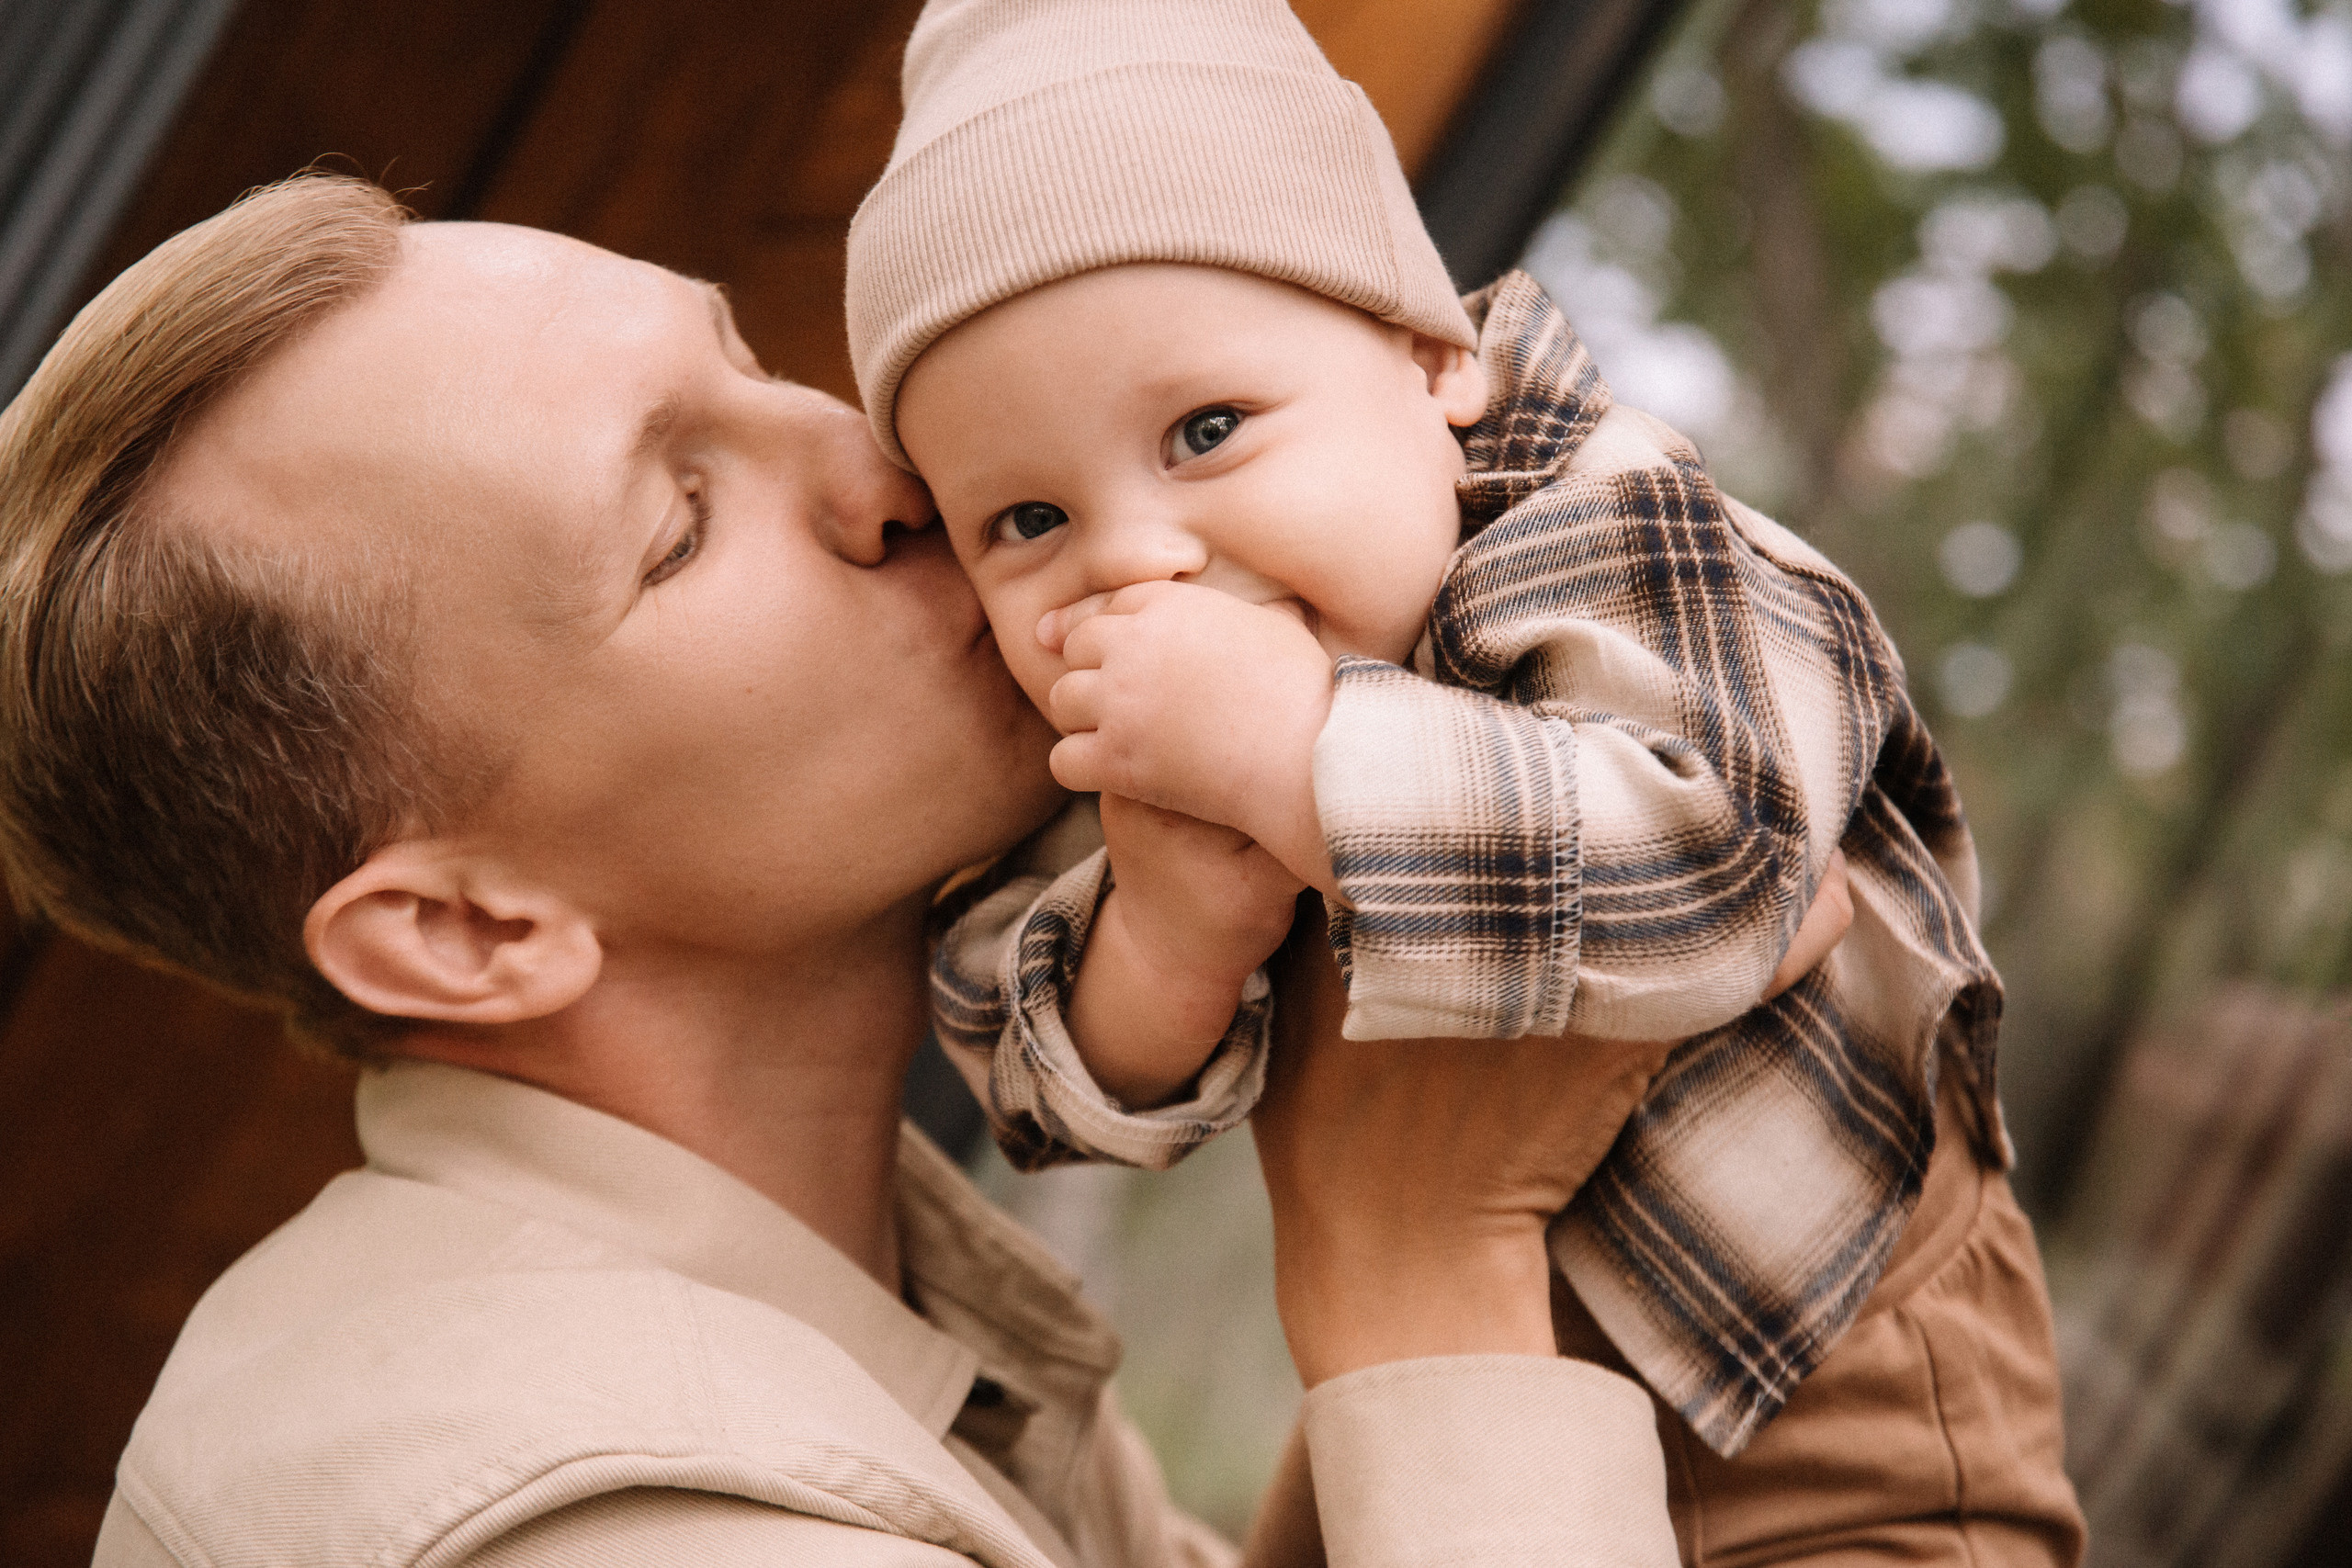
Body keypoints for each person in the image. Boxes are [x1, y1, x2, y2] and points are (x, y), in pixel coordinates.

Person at [0, 175, 1696, 1566]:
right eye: (680, 522)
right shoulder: (583, 1519)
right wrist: (1420, 1265)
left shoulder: (830, 1321)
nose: (895, 476)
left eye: (753, 359)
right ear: (464, 929)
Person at [854, 0, 2083, 1557]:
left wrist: (1310, 761)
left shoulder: (1622, 540)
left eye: (1207, 431)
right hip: (1448, 1366)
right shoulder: (1123, 722)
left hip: (1838, 1366)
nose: (1133, 561)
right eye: (1023, 521)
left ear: (1435, 357)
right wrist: (1158, 946)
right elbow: (1010, 1062)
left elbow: (1729, 886)